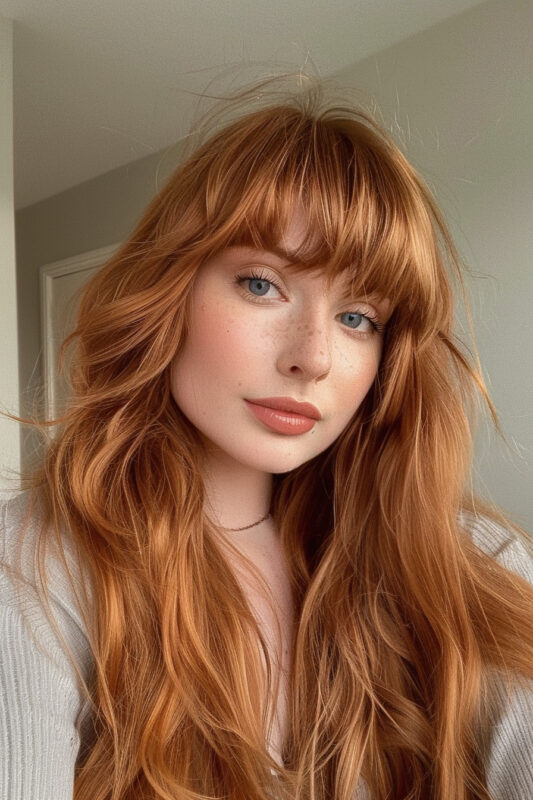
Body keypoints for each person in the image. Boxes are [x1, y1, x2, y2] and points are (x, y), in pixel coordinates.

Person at [1, 73, 533, 800]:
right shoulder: (37, 563)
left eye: (358, 318)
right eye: (261, 284)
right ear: (168, 293)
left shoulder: (468, 562)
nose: (312, 355)